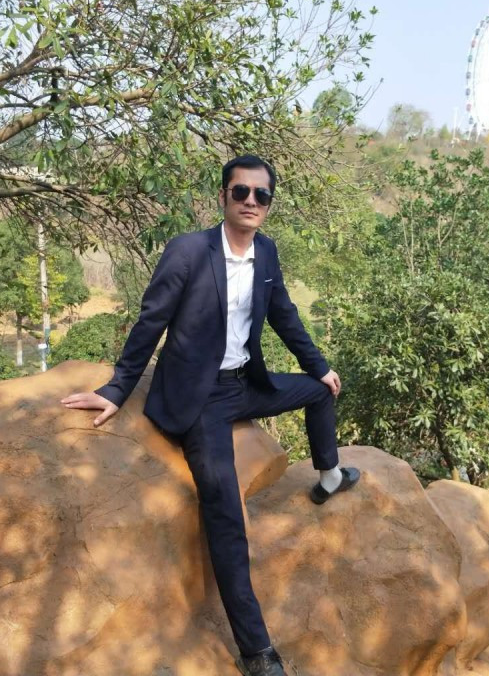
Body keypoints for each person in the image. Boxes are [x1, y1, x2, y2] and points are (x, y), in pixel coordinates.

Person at [61, 154, 360, 676]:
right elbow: (150, 322)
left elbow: (284, 314)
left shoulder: (266, 252)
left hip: (245, 384)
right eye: (241, 191)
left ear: (269, 204)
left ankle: (330, 475)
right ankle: (256, 650)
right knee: (224, 512)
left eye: (261, 194)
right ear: (223, 197)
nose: (251, 201)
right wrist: (116, 388)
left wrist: (320, 366)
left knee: (320, 392)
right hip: (199, 399)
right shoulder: (189, 252)